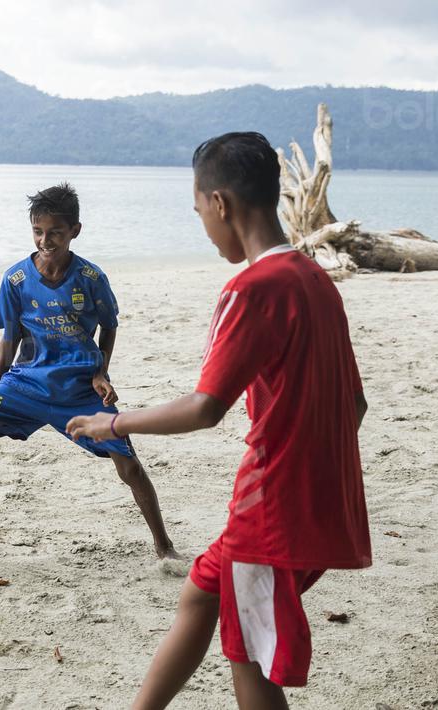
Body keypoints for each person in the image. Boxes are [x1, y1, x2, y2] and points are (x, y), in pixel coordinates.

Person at [66, 133, 370, 709]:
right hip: (326, 499)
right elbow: (354, 405)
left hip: (271, 508)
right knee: (203, 595)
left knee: (249, 657)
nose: (203, 225)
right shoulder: (317, 281)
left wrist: (115, 424)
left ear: (222, 204)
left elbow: (207, 407)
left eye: (200, 209)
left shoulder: (252, 288)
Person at [0, 183, 177, 567]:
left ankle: (164, 545)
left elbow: (110, 326)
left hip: (78, 387)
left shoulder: (90, 277)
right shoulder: (16, 279)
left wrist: (101, 371)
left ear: (75, 230)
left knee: (129, 465)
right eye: (38, 231)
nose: (45, 240)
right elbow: (9, 338)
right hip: (26, 383)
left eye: (55, 232)